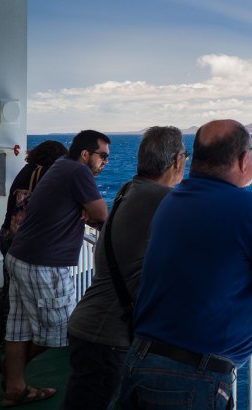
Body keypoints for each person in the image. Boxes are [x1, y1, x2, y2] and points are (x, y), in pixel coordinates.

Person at [119, 119, 252, 409]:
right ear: (243, 159)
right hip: (190, 378)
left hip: (142, 358)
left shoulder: (172, 202)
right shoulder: (245, 207)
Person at [63, 126, 187, 409]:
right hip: (106, 335)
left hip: (92, 324)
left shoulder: (129, 188)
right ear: (178, 160)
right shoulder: (160, 197)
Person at [1, 130, 110, 407]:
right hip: (44, 264)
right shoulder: (78, 171)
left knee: (19, 326)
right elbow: (101, 216)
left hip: (20, 256)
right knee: (60, 330)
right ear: (85, 154)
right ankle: (12, 370)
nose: (105, 163)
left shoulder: (62, 165)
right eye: (102, 156)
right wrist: (87, 210)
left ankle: (15, 387)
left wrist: (82, 208)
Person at [0, 140, 68, 346]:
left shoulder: (26, 170)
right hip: (24, 238)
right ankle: (20, 335)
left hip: (7, 233)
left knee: (10, 288)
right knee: (20, 292)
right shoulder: (43, 173)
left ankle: (2, 334)